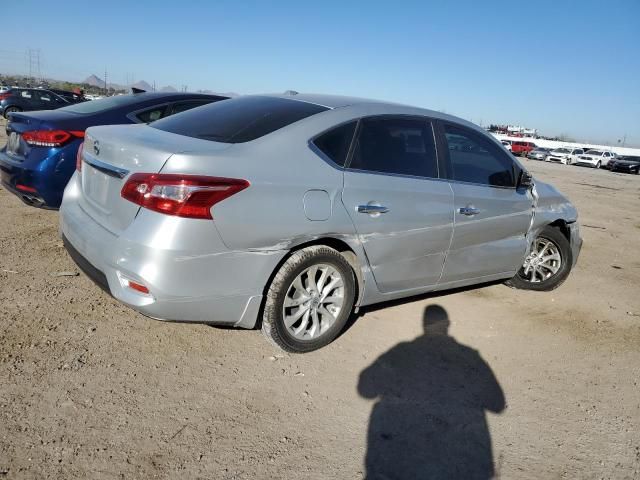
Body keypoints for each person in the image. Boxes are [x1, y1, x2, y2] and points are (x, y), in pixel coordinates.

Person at [358, 305, 506, 479]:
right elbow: (497, 403)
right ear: (448, 325)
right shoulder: (470, 357)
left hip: (404, 459)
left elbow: (365, 388)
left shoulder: (401, 351)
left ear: (423, 325)